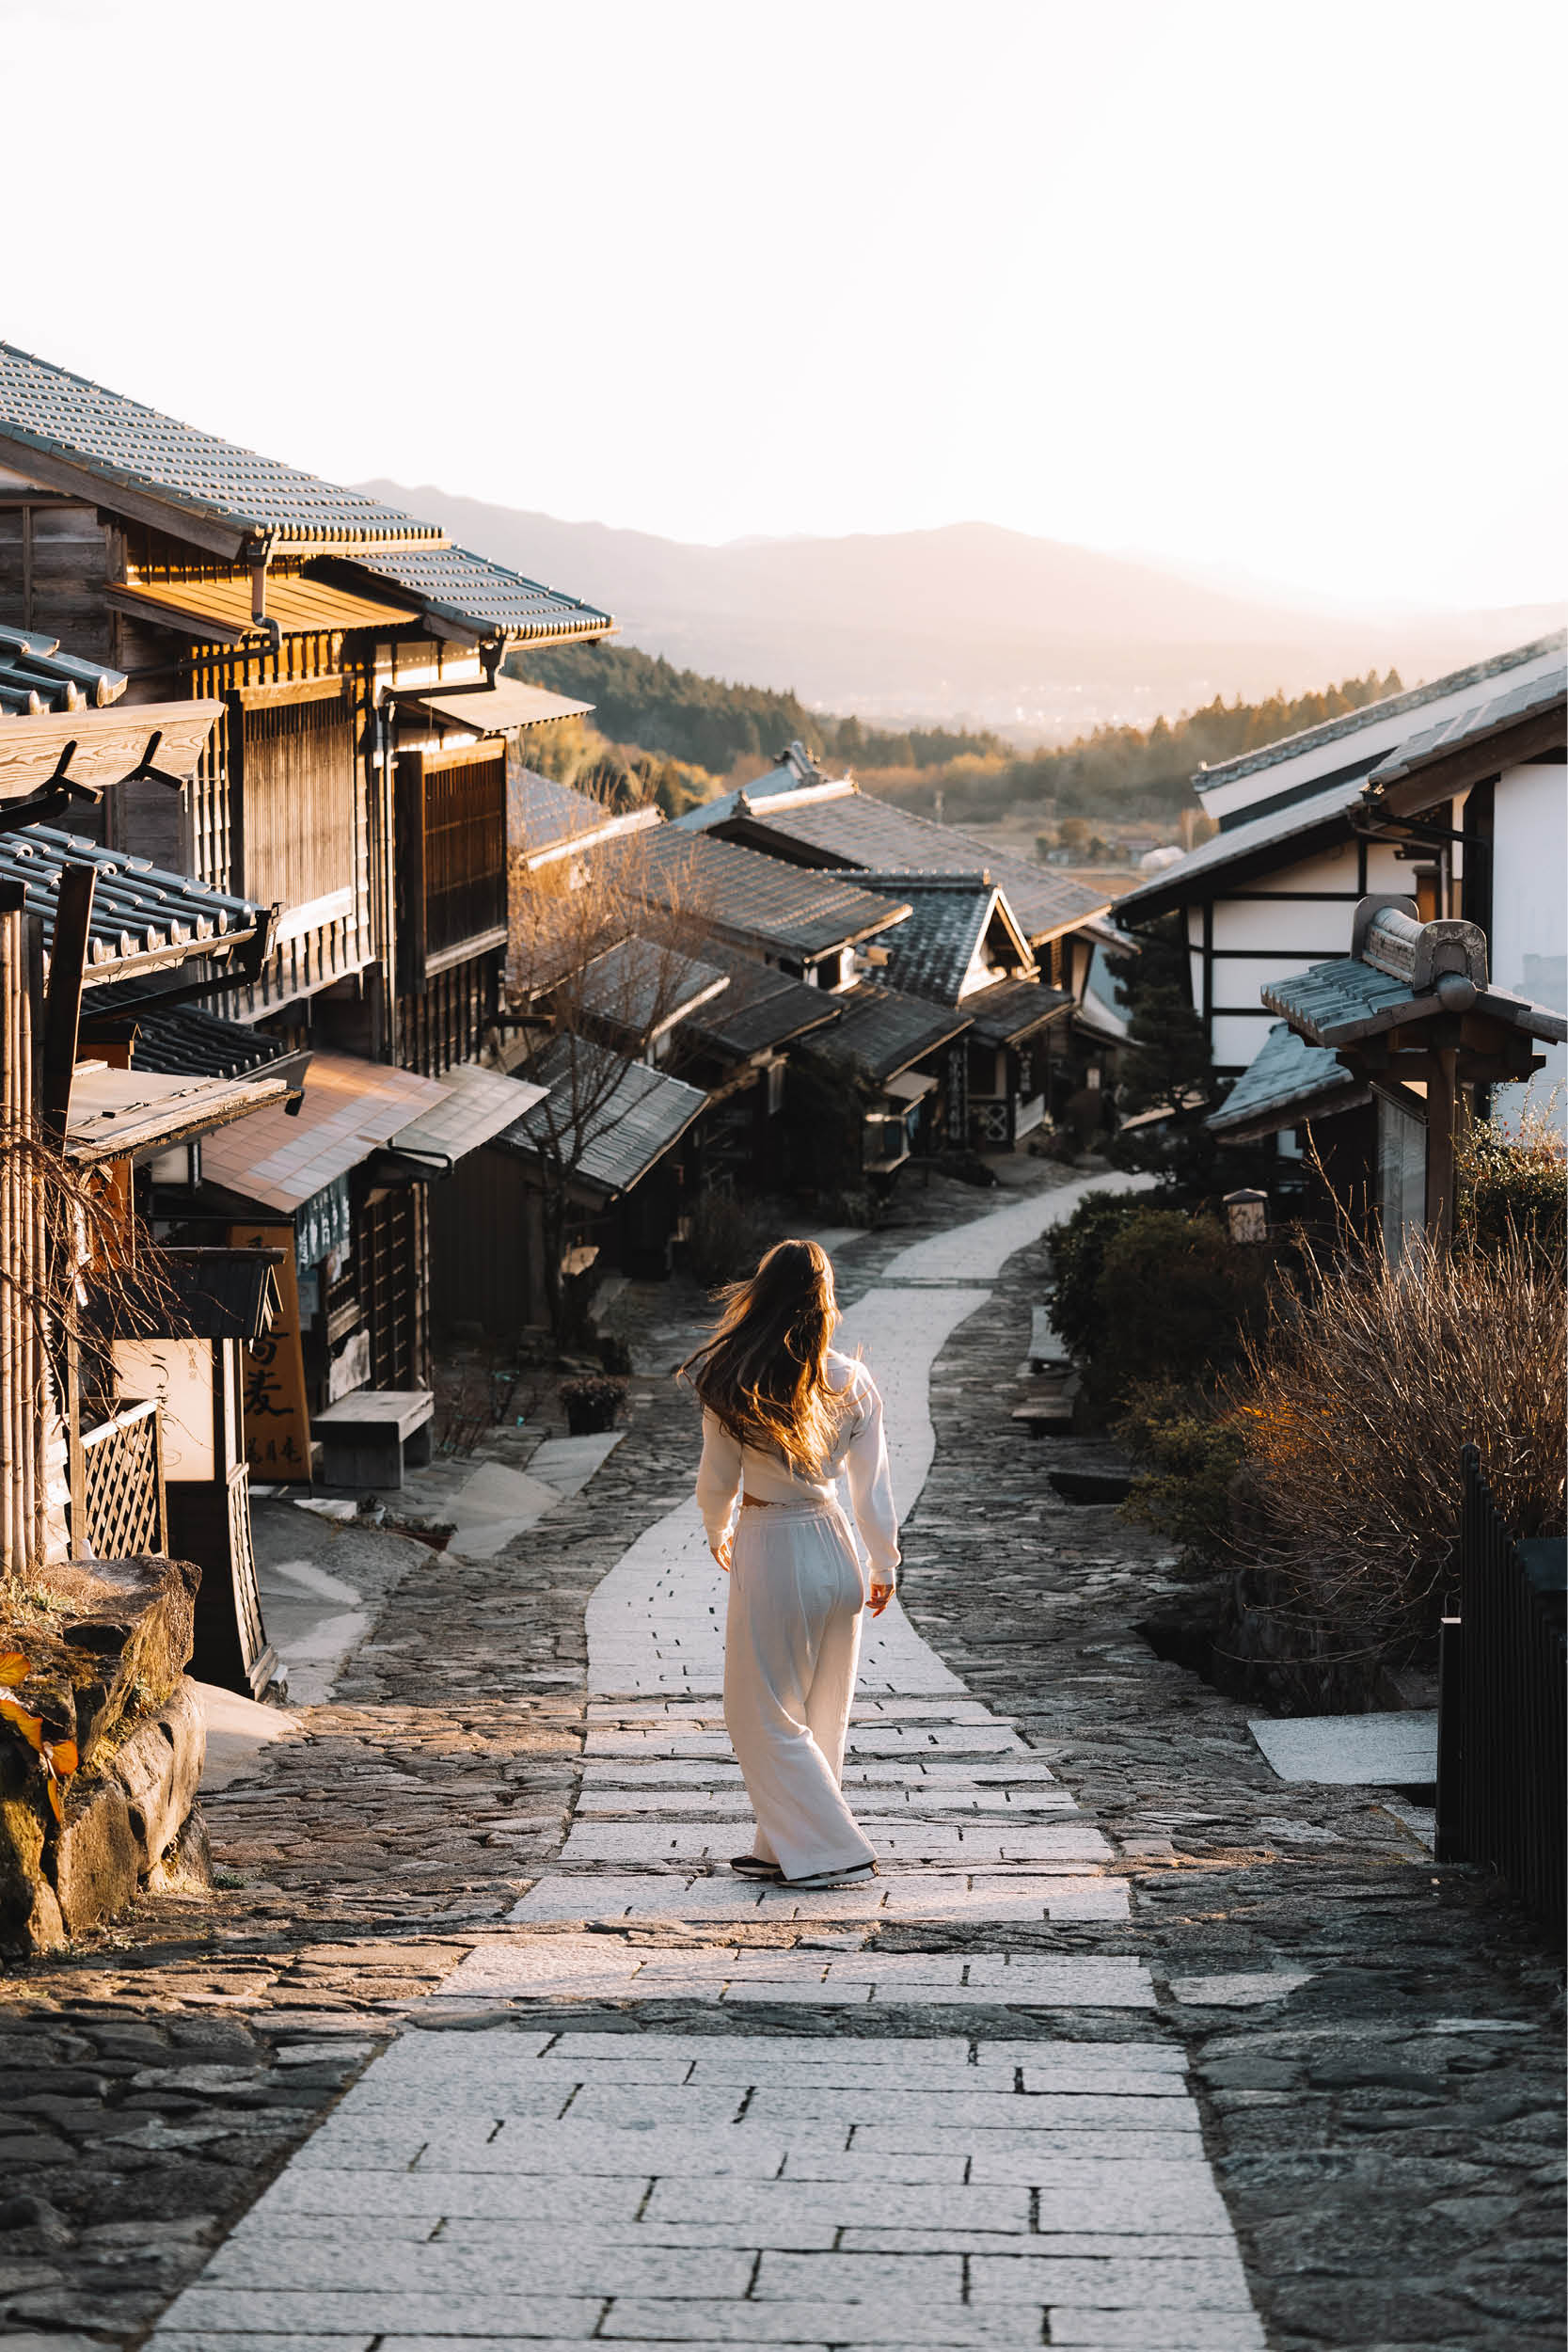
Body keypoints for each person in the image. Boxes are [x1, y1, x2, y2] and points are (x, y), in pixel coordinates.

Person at [682, 1238, 898, 1890]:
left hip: (771, 1542)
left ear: (763, 1292)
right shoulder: (850, 1379)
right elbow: (874, 1486)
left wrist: (717, 1530)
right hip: (836, 1547)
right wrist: (884, 1562)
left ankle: (833, 1848)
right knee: (819, 1708)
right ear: (823, 1301)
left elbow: (715, 1481)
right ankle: (780, 1845)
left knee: (759, 1711)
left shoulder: (731, 1377)